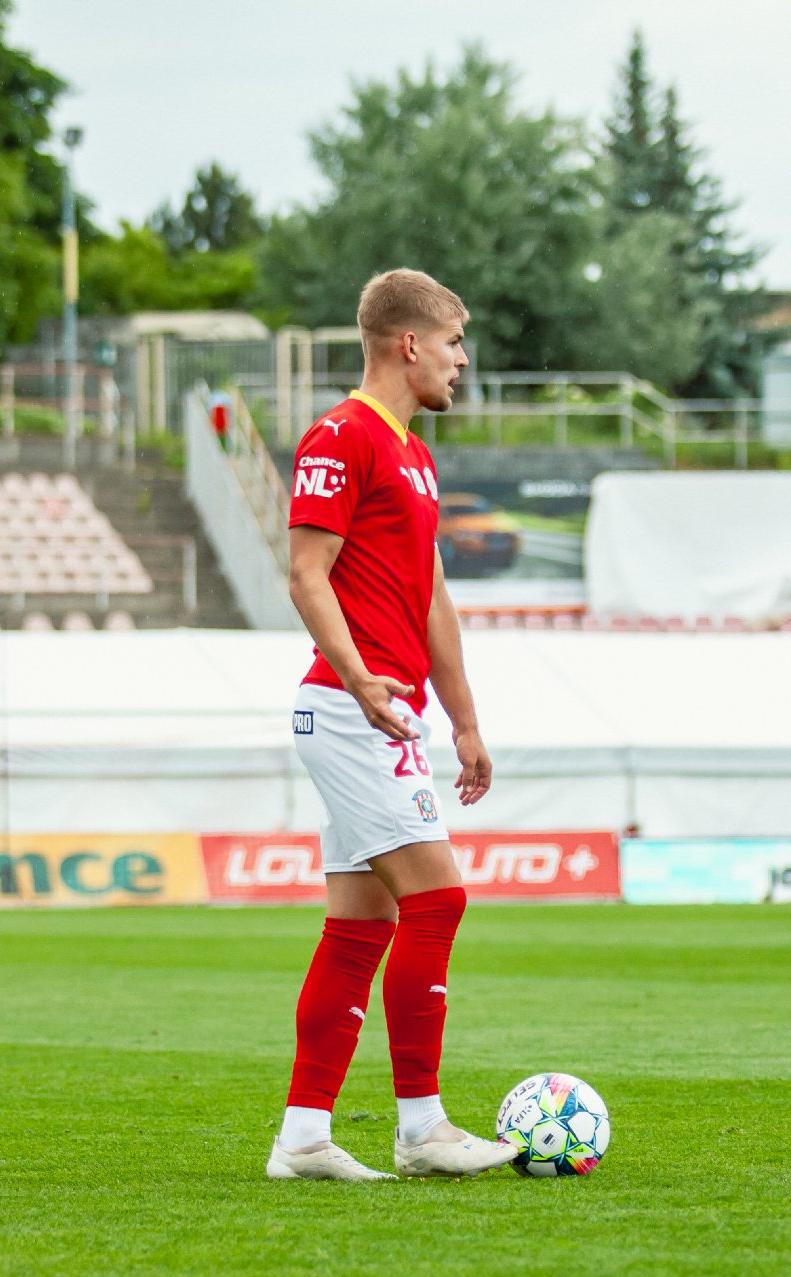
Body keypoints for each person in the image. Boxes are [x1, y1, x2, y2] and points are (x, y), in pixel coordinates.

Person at [268, 269, 516, 1182]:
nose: (462, 359)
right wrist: (360, 679)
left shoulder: (414, 454)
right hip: (350, 711)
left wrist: (465, 722)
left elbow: (433, 599)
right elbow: (305, 573)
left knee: (359, 928)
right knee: (437, 901)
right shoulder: (342, 435)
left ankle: (303, 1140)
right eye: (453, 341)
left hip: (382, 711)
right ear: (409, 344)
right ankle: (421, 1129)